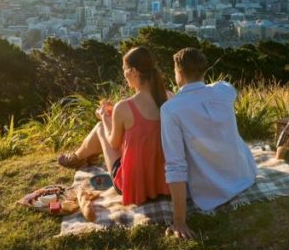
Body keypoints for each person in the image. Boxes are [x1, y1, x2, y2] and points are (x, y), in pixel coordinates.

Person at [160, 47, 258, 239]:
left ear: (178, 73)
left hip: (211, 193)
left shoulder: (170, 110)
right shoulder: (224, 90)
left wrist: (179, 220)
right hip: (245, 175)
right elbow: (228, 89)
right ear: (204, 71)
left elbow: (175, 164)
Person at [57, 46, 172, 206]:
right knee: (108, 127)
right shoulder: (169, 97)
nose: (124, 74)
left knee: (100, 128)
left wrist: (105, 117)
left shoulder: (124, 107)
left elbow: (114, 143)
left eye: (124, 69)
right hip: (164, 181)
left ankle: (76, 158)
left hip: (132, 185)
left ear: (133, 71)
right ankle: (79, 157)